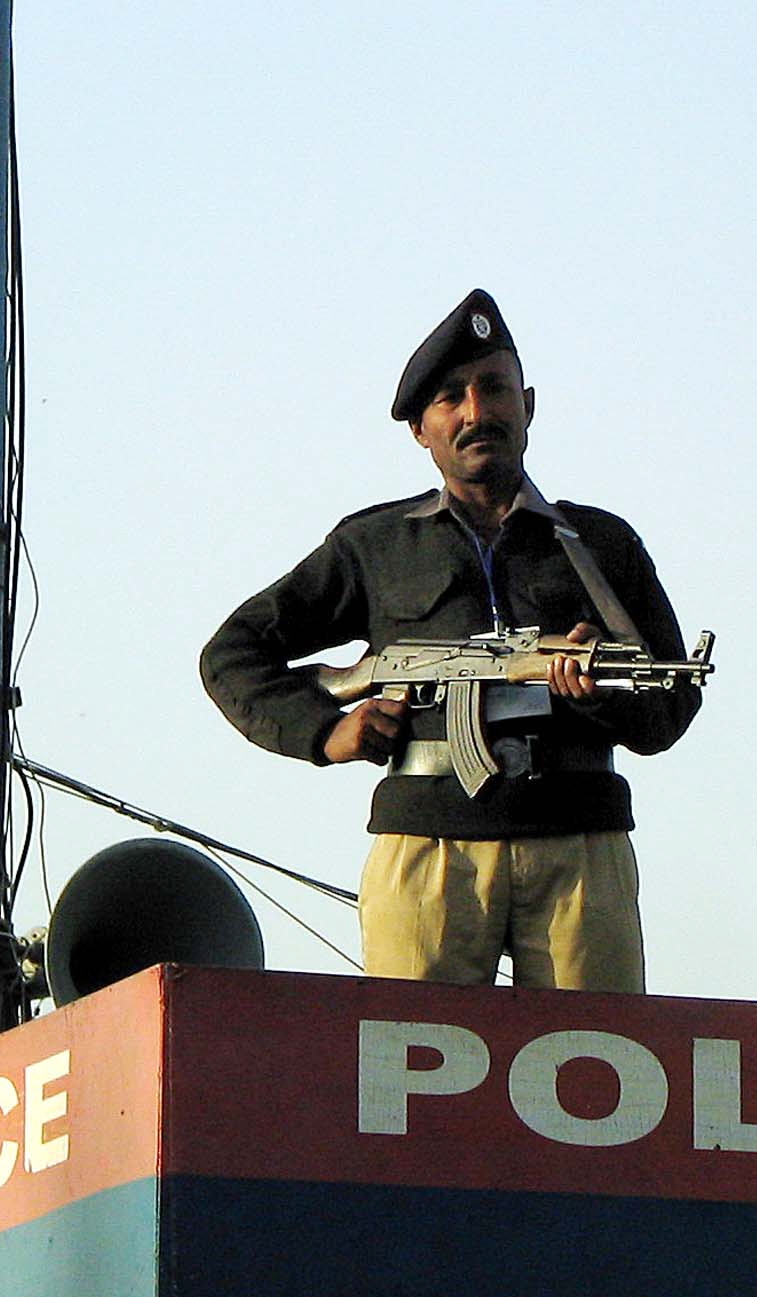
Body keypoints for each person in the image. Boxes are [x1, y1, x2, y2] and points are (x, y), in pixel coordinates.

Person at [200, 289, 702, 992]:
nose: (476, 413)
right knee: (414, 1068)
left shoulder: (599, 544)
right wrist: (329, 730)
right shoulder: (375, 545)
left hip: (579, 846)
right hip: (427, 844)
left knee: (597, 1064)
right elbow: (232, 653)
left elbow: (668, 707)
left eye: (493, 389)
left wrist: (592, 702)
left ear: (526, 404)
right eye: (450, 398)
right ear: (420, 429)